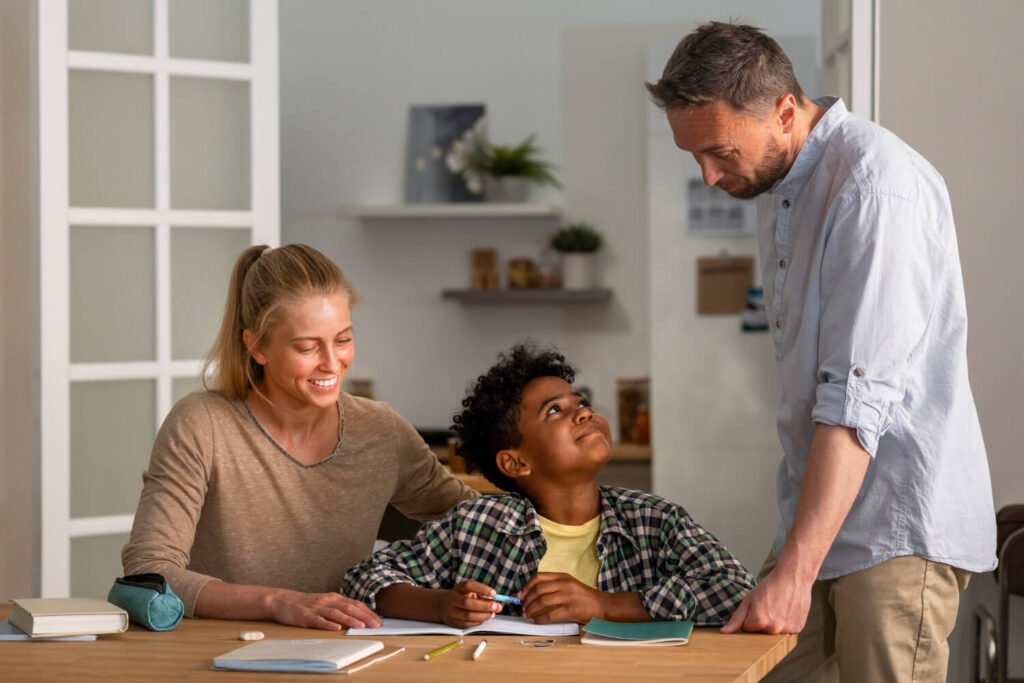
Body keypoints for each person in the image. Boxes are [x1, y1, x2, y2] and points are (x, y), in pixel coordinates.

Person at [646, 21, 996, 681]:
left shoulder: (874, 187)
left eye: (719, 152)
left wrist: (792, 571)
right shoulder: (779, 187)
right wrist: (793, 554)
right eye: (694, 157)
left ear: (783, 111)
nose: (710, 176)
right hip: (824, 522)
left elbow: (853, 401)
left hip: (897, 527)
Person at [122, 244, 475, 630]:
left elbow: (476, 524)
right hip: (217, 654)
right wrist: (278, 602)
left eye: (342, 340)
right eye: (307, 347)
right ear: (256, 346)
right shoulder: (202, 424)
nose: (331, 362)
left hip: (346, 654)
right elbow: (149, 571)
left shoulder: (381, 431)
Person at [343, 343, 754, 627]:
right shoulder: (476, 525)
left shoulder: (655, 520)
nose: (582, 413)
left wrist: (605, 606)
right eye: (555, 410)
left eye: (580, 403)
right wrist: (439, 604)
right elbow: (363, 579)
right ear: (516, 461)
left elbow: (736, 589)